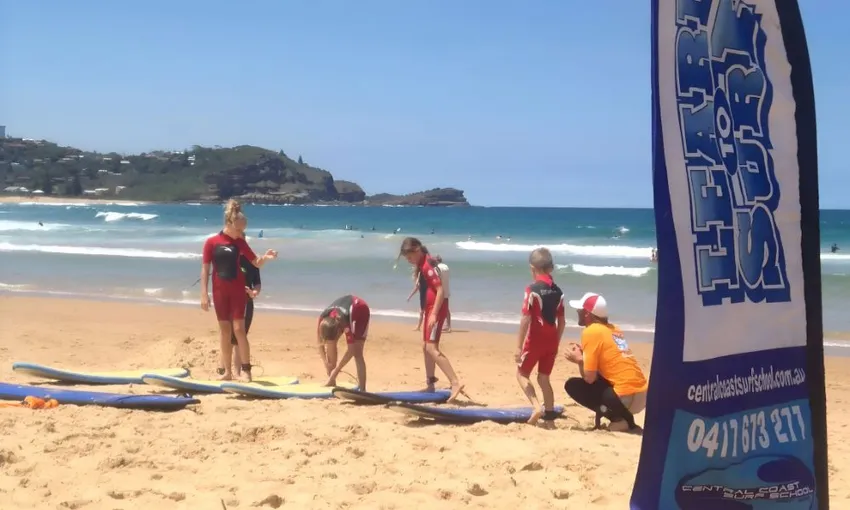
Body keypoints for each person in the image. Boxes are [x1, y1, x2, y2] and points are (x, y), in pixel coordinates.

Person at [200, 199, 278, 382]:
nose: (241, 233)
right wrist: (204, 293)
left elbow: (256, 262)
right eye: (238, 230)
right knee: (225, 332)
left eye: (243, 230)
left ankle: (246, 371)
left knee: (239, 330)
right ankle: (227, 372)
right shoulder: (211, 242)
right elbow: (205, 269)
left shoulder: (240, 243)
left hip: (236, 290)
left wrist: (266, 257)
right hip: (219, 290)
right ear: (229, 224)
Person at [563, 292, 648, 432]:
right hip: (641, 395)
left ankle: (621, 420)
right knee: (601, 382)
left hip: (624, 397)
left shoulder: (591, 331)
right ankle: (623, 418)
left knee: (573, 386)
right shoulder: (614, 329)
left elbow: (589, 378)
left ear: (587, 314)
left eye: (580, 310)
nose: (577, 312)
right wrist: (584, 356)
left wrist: (579, 360)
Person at [398, 237, 464, 401]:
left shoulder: (427, 265)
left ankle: (455, 382)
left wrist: (434, 314)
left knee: (432, 348)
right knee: (425, 346)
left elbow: (440, 290)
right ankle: (430, 384)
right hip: (430, 309)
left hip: (436, 309)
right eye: (407, 258)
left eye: (410, 257)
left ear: (417, 250)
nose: (409, 260)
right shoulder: (423, 263)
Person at [515, 248, 565, 425]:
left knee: (521, 374)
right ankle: (550, 420)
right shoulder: (558, 291)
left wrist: (518, 347)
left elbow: (525, 319)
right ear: (550, 267)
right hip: (552, 341)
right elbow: (562, 322)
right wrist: (556, 343)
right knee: (544, 378)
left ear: (532, 267)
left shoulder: (532, 289)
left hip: (535, 340)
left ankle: (536, 407)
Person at [316, 295, 370, 391]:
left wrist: (336, 370)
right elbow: (319, 343)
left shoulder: (344, 322)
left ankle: (363, 389)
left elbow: (351, 350)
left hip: (360, 309)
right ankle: (332, 381)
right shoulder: (322, 320)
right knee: (330, 345)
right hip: (345, 310)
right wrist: (326, 363)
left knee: (358, 352)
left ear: (339, 331)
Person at [230, 246, 262, 378]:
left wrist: (253, 292)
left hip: (247, 302)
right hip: (229, 301)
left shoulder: (252, 261)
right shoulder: (228, 260)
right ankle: (226, 370)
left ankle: (238, 372)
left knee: (240, 337)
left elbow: (257, 284)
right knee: (228, 337)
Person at [433, 255, 452, 332]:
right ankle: (449, 326)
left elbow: (437, 279)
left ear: (436, 261)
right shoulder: (446, 267)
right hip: (446, 290)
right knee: (446, 309)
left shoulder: (436, 268)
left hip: (439, 291)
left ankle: (437, 325)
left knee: (437, 308)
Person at [407, 267, 428, 331]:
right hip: (424, 296)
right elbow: (417, 288)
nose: (413, 278)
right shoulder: (421, 277)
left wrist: (409, 296)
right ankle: (420, 327)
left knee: (422, 312)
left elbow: (417, 288)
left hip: (425, 296)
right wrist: (410, 296)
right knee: (423, 312)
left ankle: (420, 327)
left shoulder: (420, 277)